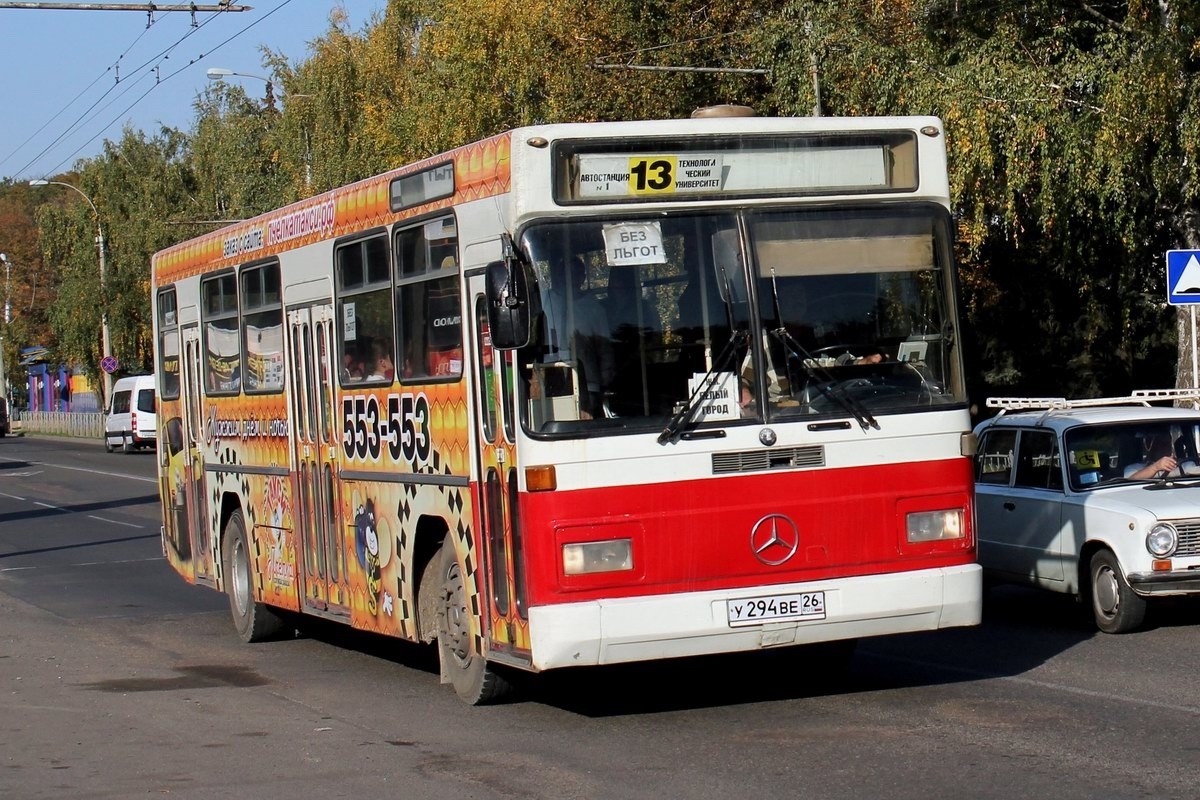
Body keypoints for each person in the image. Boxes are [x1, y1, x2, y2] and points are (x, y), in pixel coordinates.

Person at [542, 254, 615, 418]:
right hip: (550, 375)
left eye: (574, 274)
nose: (568, 279)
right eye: (564, 274)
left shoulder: (593, 307)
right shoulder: (545, 300)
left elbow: (604, 348)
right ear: (558, 276)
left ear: (582, 278)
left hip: (586, 382)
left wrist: (605, 382)